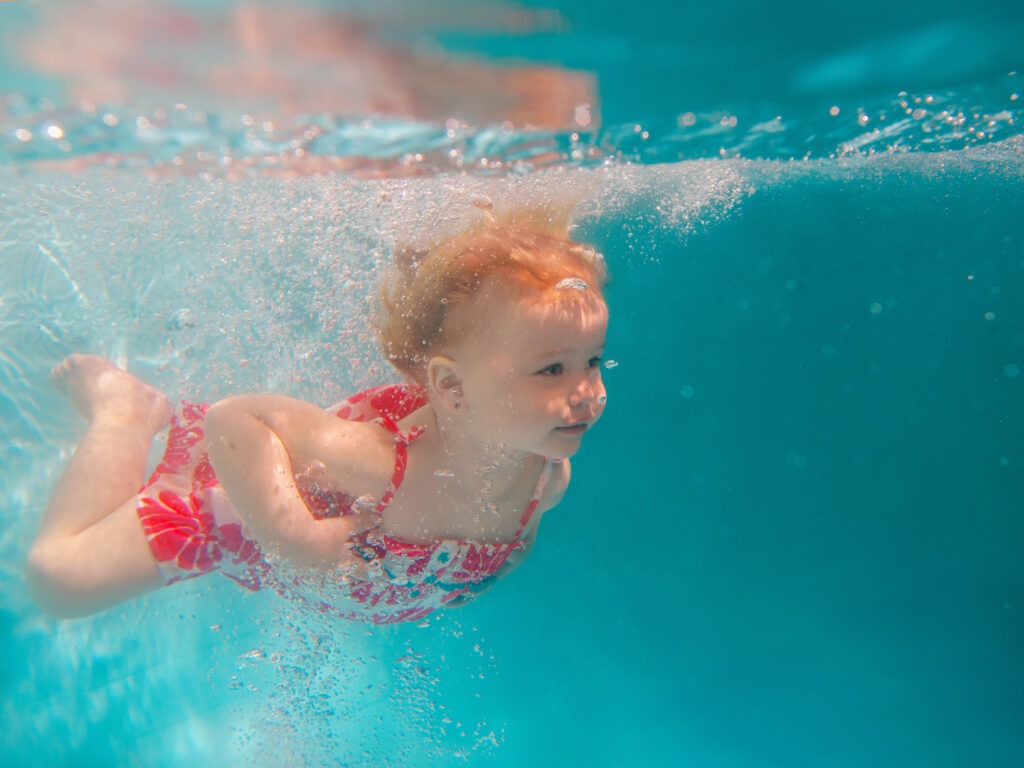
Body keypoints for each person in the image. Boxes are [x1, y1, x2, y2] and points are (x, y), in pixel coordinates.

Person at [26, 209, 609, 624]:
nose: (587, 391)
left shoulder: (545, 476)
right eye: (551, 371)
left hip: (303, 547)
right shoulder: (386, 463)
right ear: (451, 387)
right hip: (239, 502)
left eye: (592, 361)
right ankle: (124, 411)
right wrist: (295, 540)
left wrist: (479, 576)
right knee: (59, 580)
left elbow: (515, 539)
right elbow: (235, 421)